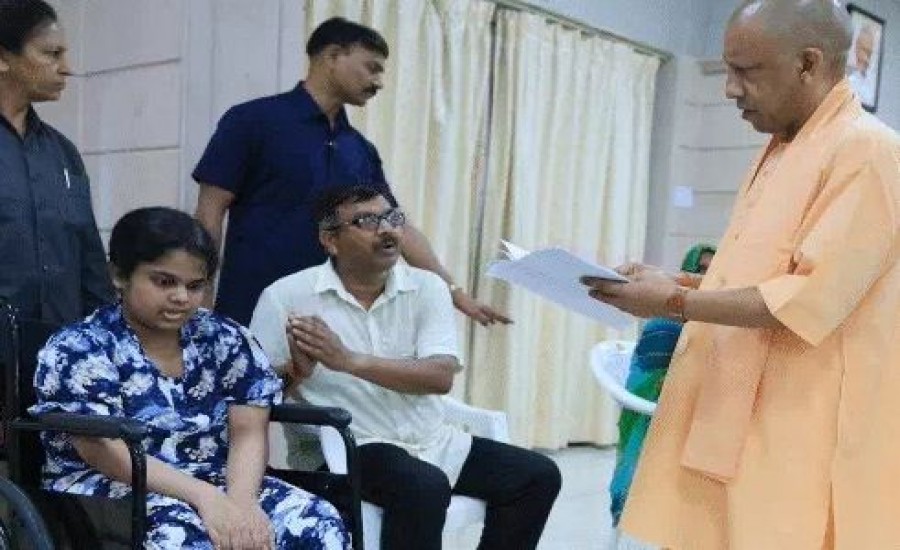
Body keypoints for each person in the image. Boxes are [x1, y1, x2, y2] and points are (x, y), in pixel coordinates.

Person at [583, 1, 900, 548]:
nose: (730, 89)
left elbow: (808, 297)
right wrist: (677, 283)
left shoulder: (868, 151)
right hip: (734, 404)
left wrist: (672, 304)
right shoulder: (781, 149)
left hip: (803, 418)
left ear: (807, 63)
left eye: (746, 71)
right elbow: (757, 274)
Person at [250, 186, 561, 550]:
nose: (387, 230)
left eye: (392, 218)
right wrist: (297, 372)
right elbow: (253, 397)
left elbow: (440, 376)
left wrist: (349, 360)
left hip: (433, 440)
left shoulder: (427, 287)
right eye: (367, 221)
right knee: (423, 485)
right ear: (330, 240)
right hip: (348, 448)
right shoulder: (285, 297)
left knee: (537, 476)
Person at [30, 207, 349, 549]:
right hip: (109, 488)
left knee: (317, 521)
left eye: (195, 285)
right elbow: (107, 454)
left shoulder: (225, 338)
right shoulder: (79, 347)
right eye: (164, 282)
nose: (181, 297)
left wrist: (241, 504)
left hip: (219, 480)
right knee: (185, 536)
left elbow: (248, 431)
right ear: (119, 275)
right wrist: (206, 499)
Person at [193, 16, 508, 328]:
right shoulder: (252, 121)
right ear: (332, 56)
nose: (378, 82)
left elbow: (399, 227)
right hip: (250, 312)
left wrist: (455, 293)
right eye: (372, 68)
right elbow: (209, 212)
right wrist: (199, 300)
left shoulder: (359, 149)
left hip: (333, 323)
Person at [0, 0, 113, 325]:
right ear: (3, 58)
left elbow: (90, 259)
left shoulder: (62, 152)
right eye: (51, 54)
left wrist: (106, 334)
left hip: (59, 343)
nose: (66, 68)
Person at [608, 243, 715, 525]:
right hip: (661, 413)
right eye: (700, 269)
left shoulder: (722, 324)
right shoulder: (664, 325)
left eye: (713, 270)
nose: (706, 277)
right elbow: (651, 384)